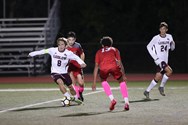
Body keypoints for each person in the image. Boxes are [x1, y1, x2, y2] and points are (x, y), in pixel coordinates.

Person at [28, 37, 86, 104]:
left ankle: (76, 98)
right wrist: (32, 54)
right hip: (55, 72)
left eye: (62, 44)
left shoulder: (68, 53)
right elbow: (43, 51)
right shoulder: (52, 50)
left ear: (65, 45)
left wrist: (82, 63)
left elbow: (76, 58)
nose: (60, 46)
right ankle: (68, 97)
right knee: (60, 82)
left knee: (71, 87)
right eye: (59, 44)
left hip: (64, 72)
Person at [92, 36, 129, 111]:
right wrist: (124, 75)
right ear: (111, 44)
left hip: (104, 68)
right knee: (121, 81)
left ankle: (112, 100)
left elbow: (96, 67)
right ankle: (126, 103)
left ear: (102, 45)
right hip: (114, 67)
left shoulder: (99, 52)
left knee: (103, 80)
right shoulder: (115, 50)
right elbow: (120, 63)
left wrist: (94, 82)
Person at [144, 22, 175, 99]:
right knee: (169, 71)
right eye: (161, 28)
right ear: (159, 29)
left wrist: (173, 44)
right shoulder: (156, 38)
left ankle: (147, 91)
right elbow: (148, 46)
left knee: (158, 76)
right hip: (159, 60)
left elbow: (172, 48)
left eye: (164, 28)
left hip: (165, 60)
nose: (162, 30)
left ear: (166, 30)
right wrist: (155, 57)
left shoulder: (169, 36)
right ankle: (161, 87)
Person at [66, 31, 85, 101]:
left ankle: (80, 93)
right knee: (73, 83)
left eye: (72, 40)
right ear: (67, 39)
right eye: (69, 40)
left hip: (77, 67)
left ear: (75, 39)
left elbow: (82, 54)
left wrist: (81, 62)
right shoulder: (65, 47)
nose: (71, 41)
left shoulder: (77, 45)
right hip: (70, 67)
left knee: (81, 83)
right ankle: (78, 97)